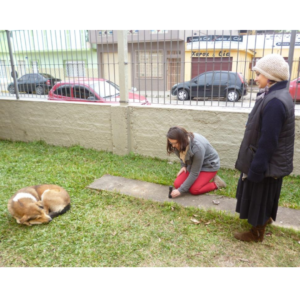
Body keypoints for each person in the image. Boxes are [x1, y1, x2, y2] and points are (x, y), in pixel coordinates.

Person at [234, 53, 295, 242]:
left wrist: (256, 169)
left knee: (260, 195)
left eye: (259, 74)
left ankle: (256, 233)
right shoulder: (274, 95)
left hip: (267, 163)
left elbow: (268, 142)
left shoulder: (275, 102)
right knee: (266, 195)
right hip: (271, 162)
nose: (256, 77)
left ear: (271, 76)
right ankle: (265, 219)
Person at [166, 126, 226, 198]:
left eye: (175, 143)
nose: (173, 145)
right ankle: (201, 179)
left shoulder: (197, 148)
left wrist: (180, 191)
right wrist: (183, 166)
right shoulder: (180, 143)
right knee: (177, 184)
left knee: (194, 190)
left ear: (182, 140)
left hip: (209, 165)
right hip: (193, 163)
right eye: (171, 142)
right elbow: (182, 155)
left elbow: (194, 173)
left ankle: (217, 183)